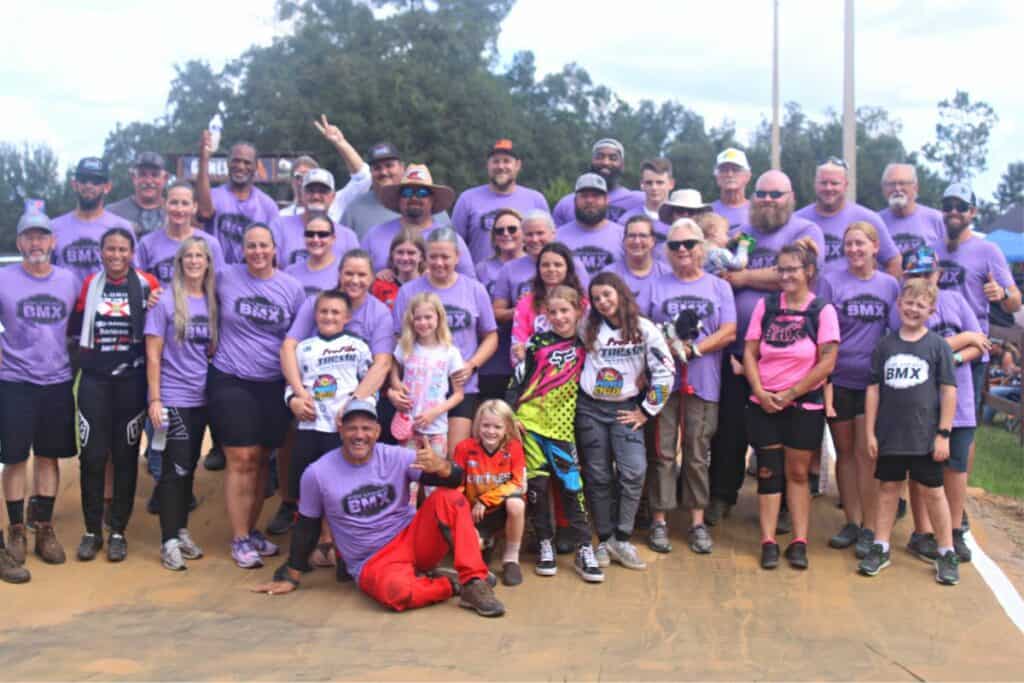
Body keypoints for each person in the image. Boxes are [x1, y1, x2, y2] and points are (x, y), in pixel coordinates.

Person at [252, 399, 505, 618]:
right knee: (398, 593)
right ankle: (450, 585)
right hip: (372, 560)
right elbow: (307, 526)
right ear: (340, 430)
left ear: (377, 431)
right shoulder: (317, 473)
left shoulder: (396, 456)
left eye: (366, 428)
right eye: (352, 428)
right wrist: (291, 575)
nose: (359, 435)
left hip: (412, 540)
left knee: (450, 498)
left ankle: (474, 582)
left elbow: (454, 480)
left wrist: (443, 466)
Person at [709, 170, 825, 524]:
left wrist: (743, 278)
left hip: (784, 353)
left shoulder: (805, 230)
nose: (768, 200)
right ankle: (722, 494)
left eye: (776, 194)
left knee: (783, 430)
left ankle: (787, 504)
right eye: (762, 193)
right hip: (735, 347)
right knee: (729, 427)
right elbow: (718, 268)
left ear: (791, 197)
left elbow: (792, 276)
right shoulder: (742, 233)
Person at [208, 224, 305, 568]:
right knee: (241, 457)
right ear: (243, 249)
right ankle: (239, 538)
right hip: (231, 377)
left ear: (275, 249)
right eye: (251, 246)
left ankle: (250, 531)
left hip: (273, 382)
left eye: (264, 245)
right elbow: (189, 289)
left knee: (263, 457)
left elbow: (297, 339)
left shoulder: (292, 288)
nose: (258, 252)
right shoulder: (225, 277)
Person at [742, 238, 839, 570]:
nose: (785, 276)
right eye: (780, 270)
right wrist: (760, 391)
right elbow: (750, 352)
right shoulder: (766, 306)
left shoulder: (822, 310)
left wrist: (792, 393)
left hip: (802, 404)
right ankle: (768, 540)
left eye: (792, 269)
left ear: (808, 271)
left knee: (798, 472)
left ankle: (799, 540)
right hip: (765, 401)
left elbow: (827, 361)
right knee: (768, 471)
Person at [280, 250, 395, 525]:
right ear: (339, 274)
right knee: (300, 456)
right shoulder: (317, 302)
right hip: (311, 399)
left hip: (352, 401)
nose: (354, 280)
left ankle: (348, 527)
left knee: (346, 471)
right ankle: (290, 505)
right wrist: (296, 395)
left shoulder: (378, 312)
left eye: (361, 274)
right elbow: (288, 347)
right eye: (349, 273)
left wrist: (354, 403)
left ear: (372, 278)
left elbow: (382, 363)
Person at [859, 278, 959, 585]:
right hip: (891, 433)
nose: (913, 309)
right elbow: (873, 389)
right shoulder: (885, 345)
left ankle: (946, 551)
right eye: (909, 303)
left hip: (924, 436)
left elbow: (948, 391)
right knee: (888, 488)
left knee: (933, 491)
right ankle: (881, 545)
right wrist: (870, 432)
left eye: (921, 305)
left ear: (931, 310)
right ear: (899, 304)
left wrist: (943, 434)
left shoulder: (938, 346)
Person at [891, 247, 987, 564]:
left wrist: (950, 359)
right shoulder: (902, 306)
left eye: (927, 273)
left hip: (959, 399)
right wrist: (964, 338)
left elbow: (981, 345)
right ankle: (923, 531)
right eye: (914, 274)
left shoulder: (956, 300)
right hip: (920, 401)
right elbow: (915, 347)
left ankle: (955, 529)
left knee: (956, 466)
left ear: (939, 274)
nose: (922, 279)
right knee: (922, 466)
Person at [647, 219, 737, 555]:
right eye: (675, 245)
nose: (682, 250)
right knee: (662, 451)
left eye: (689, 244)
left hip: (703, 381)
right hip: (664, 381)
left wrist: (695, 349)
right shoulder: (656, 286)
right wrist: (669, 347)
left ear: (702, 247)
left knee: (698, 453)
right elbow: (645, 330)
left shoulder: (719, 287)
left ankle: (697, 521)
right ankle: (659, 519)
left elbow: (729, 331)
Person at [71, 228, 160, 562]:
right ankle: (92, 530)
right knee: (92, 457)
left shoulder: (148, 284)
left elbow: (161, 323)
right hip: (94, 381)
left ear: (132, 252)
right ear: (101, 251)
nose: (117, 255)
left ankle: (118, 530)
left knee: (125, 457)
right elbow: (75, 327)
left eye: (123, 249)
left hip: (131, 382)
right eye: (111, 249)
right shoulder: (90, 285)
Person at [0, 212, 80, 582]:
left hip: (56, 381)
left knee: (49, 456)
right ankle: (17, 529)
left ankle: (44, 528)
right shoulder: (4, 278)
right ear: (19, 243)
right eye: (29, 237)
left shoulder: (68, 280)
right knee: (15, 457)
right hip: (14, 381)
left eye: (42, 237)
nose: (36, 243)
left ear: (53, 242)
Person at [577, 273, 674, 572]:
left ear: (620, 293)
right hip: (590, 408)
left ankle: (622, 537)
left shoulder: (644, 329)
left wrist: (647, 410)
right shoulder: (586, 326)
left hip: (625, 408)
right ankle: (604, 539)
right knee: (598, 475)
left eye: (607, 294)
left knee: (634, 471)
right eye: (596, 298)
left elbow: (666, 370)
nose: (602, 302)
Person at [505, 286, 597, 581]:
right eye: (553, 312)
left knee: (572, 486)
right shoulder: (537, 342)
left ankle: (584, 547)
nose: (559, 317)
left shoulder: (588, 342)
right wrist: (511, 415)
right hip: (529, 423)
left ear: (578, 311)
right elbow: (518, 379)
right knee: (538, 487)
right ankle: (545, 543)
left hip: (561, 428)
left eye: (565, 311)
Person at [823, 222, 901, 559]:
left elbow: (896, 330)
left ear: (875, 247)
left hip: (872, 383)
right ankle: (852, 522)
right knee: (844, 453)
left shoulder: (889, 285)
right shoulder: (832, 281)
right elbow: (824, 332)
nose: (854, 250)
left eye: (860, 243)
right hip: (839, 377)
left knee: (866, 454)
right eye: (849, 244)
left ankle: (871, 526)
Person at [144, 237, 218, 570]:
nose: (194, 261)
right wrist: (155, 398)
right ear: (179, 262)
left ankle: (181, 529)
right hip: (173, 396)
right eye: (188, 256)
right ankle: (168, 540)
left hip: (202, 397)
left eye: (200, 255)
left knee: (189, 465)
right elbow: (153, 354)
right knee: (173, 469)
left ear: (208, 262)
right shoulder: (164, 301)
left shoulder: (212, 300)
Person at [393, 230, 498, 454]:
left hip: (461, 385)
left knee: (453, 457)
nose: (439, 263)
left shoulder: (474, 289)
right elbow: (398, 341)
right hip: (419, 390)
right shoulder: (408, 291)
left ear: (457, 257)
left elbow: (491, 335)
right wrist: (394, 384)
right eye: (433, 256)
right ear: (424, 257)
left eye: (445, 257)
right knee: (414, 459)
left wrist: (472, 365)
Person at [285, 289, 372, 547]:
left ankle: (334, 541)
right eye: (323, 311)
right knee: (307, 486)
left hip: (341, 430)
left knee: (340, 487)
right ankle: (308, 543)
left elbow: (370, 386)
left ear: (347, 317)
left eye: (335, 312)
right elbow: (291, 385)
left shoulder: (358, 347)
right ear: (315, 315)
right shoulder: (304, 348)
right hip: (310, 426)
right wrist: (293, 401)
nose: (329, 316)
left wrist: (355, 409)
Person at [933, 182, 1021, 411]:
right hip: (935, 346)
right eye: (948, 206)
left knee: (964, 419)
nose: (953, 211)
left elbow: (1015, 302)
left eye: (961, 207)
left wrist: (1002, 293)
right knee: (930, 417)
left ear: (972, 212)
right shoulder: (931, 249)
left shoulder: (988, 251)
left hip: (971, 350)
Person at [452, 400, 527, 586]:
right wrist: (463, 514)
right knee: (475, 561)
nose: (491, 431)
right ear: (478, 425)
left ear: (506, 428)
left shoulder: (514, 447)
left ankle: (511, 559)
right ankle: (485, 542)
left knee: (516, 504)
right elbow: (457, 485)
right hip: (474, 513)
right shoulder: (464, 448)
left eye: (497, 427)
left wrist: (486, 500)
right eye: (486, 425)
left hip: (500, 509)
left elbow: (518, 483)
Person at [360, 165, 474, 277]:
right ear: (399, 199)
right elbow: (357, 275)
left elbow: (469, 282)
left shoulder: (452, 239)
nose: (414, 198)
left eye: (422, 193)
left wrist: (440, 276)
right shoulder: (374, 235)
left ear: (432, 199)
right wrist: (375, 279)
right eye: (407, 192)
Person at [389, 292, 465, 459]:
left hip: (436, 428)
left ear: (439, 317)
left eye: (428, 317)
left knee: (434, 472)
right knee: (408, 471)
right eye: (418, 318)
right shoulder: (404, 347)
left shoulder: (450, 352)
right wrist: (395, 388)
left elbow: (459, 394)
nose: (423, 323)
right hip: (407, 426)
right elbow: (394, 376)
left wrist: (434, 412)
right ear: (411, 320)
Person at [794, 158, 901, 277]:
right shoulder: (797, 221)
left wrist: (882, 287)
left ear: (846, 185)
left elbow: (894, 260)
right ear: (815, 184)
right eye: (823, 183)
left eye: (834, 183)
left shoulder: (868, 219)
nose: (828, 188)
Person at [452, 139, 549, 264]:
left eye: (506, 161)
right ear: (488, 165)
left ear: (517, 165)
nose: (501, 166)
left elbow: (547, 245)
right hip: (479, 275)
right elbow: (454, 246)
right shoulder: (467, 199)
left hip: (526, 275)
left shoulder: (536, 200)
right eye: (496, 161)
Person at [52, 157, 135, 292]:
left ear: (107, 187)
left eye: (96, 181)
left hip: (108, 302)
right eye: (83, 180)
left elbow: (134, 274)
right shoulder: (54, 228)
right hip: (66, 303)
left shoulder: (122, 227)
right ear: (74, 184)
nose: (88, 186)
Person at [196, 135, 280, 264]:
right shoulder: (214, 195)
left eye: (247, 162)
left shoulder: (268, 206)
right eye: (236, 161)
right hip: (217, 273)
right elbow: (204, 213)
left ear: (256, 167)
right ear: (228, 163)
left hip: (252, 274)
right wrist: (204, 159)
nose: (240, 166)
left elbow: (274, 253)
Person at [492, 210, 589, 321]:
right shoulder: (509, 269)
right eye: (529, 234)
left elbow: (587, 305)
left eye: (540, 233)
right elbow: (497, 313)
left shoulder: (573, 264)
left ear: (553, 234)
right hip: (523, 329)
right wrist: (524, 308)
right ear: (522, 236)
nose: (535, 239)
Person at [340, 142, 449, 239]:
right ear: (370, 172)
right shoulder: (354, 210)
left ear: (402, 167)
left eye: (389, 166)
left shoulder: (433, 209)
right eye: (377, 168)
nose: (383, 172)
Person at [473, 208, 526, 401]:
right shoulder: (482, 268)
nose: (506, 234)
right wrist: (517, 311)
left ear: (523, 233)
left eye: (512, 229)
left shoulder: (536, 264)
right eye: (499, 230)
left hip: (525, 353)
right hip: (492, 356)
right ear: (493, 237)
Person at [134, 181, 225, 288]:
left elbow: (220, 285)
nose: (179, 209)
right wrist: (150, 294)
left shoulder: (210, 244)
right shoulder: (147, 243)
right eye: (174, 203)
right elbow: (138, 284)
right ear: (164, 204)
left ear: (194, 207)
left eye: (185, 203)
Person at [511, 242, 586, 362]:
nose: (551, 269)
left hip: (577, 367)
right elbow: (518, 344)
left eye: (558, 265)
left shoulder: (583, 302)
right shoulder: (525, 303)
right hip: (537, 368)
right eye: (545, 265)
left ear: (568, 268)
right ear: (538, 269)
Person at [271, 169, 359, 268]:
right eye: (310, 191)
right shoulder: (280, 227)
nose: (316, 196)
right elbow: (271, 270)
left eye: (323, 191)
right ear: (302, 194)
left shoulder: (348, 237)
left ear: (333, 197)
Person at [552, 138, 643, 225]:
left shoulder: (638, 201)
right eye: (599, 157)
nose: (605, 162)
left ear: (622, 165)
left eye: (613, 158)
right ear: (592, 162)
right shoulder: (566, 204)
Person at [555, 173, 625, 276]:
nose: (590, 201)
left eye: (595, 196)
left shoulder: (623, 236)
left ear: (606, 200)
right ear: (575, 201)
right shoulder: (557, 237)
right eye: (584, 196)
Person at [603, 215, 669, 314]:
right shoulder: (609, 274)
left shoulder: (666, 274)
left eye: (643, 236)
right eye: (631, 236)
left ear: (653, 241)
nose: (637, 241)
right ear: (624, 241)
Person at [877, 163, 945, 257]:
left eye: (902, 183)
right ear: (883, 189)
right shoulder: (876, 222)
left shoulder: (937, 220)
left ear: (915, 188)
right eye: (891, 184)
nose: (897, 188)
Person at [283, 211, 352, 295]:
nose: (315, 239)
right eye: (310, 234)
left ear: (333, 238)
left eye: (322, 234)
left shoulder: (345, 272)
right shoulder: (290, 273)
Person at [107, 152, 169, 237]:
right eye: (142, 175)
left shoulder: (176, 213)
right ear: (133, 177)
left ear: (165, 178)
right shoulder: (113, 213)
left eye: (154, 175)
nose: (148, 181)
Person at [617, 158, 675, 246]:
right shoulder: (626, 220)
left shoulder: (680, 218)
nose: (654, 188)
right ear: (642, 184)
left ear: (671, 184)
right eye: (649, 183)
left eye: (660, 183)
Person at [371, 230, 425, 310]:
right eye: (400, 252)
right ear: (392, 255)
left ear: (421, 256)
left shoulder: (429, 284)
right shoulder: (380, 286)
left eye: (411, 253)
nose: (405, 258)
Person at [710, 148, 752, 232]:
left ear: (747, 176)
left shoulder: (757, 211)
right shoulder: (707, 212)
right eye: (724, 170)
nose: (730, 174)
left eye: (735, 170)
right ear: (717, 177)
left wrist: (741, 239)